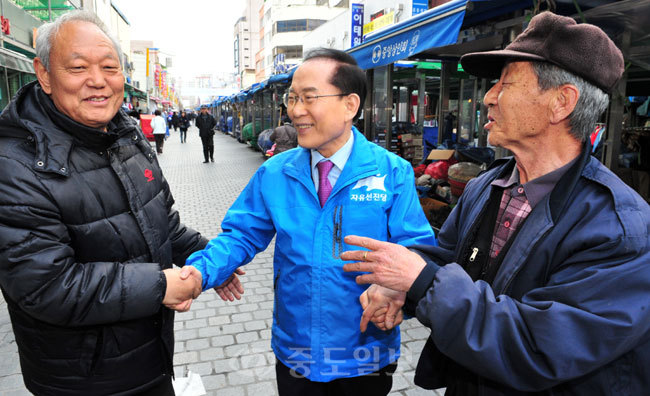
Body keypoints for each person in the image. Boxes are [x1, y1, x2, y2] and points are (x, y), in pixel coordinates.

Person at [341, 12, 650, 395]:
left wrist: (421, 280)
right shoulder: (487, 185)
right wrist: (403, 289)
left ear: (561, 103)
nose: (488, 97)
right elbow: (449, 257)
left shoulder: (621, 228)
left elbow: (541, 347)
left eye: (506, 84)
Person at [0, 10, 230, 395]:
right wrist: (159, 286)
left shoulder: (128, 137)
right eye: (77, 68)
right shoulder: (14, 165)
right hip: (82, 378)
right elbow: (46, 286)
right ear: (44, 75)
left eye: (109, 67)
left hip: (150, 355)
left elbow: (162, 221)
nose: (97, 81)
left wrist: (210, 258)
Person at [183, 48, 436, 396]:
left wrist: (396, 290)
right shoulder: (276, 172)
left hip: (365, 353)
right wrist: (199, 272)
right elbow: (239, 236)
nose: (295, 110)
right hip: (296, 350)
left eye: (309, 98)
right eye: (292, 98)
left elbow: (419, 249)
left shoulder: (392, 172)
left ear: (350, 105)